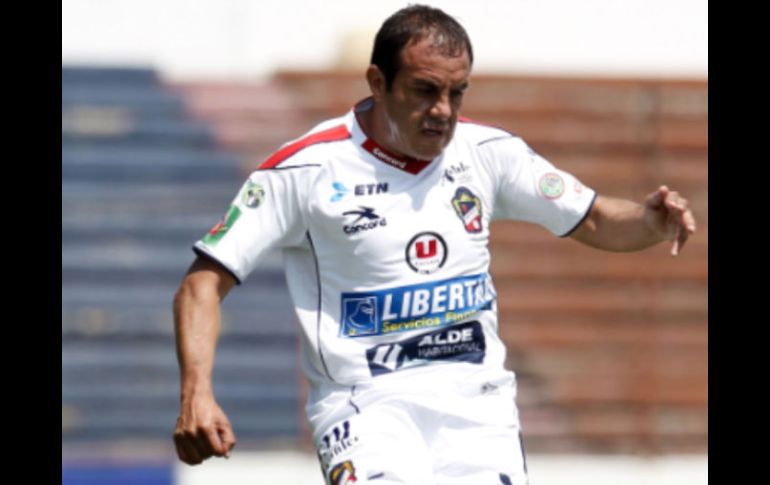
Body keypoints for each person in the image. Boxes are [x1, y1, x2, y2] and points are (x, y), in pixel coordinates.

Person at [172, 5, 697, 485]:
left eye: (457, 92)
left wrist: (649, 222)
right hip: (365, 408)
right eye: (424, 90)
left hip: (477, 406)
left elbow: (597, 220)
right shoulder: (304, 171)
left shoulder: (489, 153)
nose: (443, 110)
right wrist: (197, 394)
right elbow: (201, 285)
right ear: (378, 82)